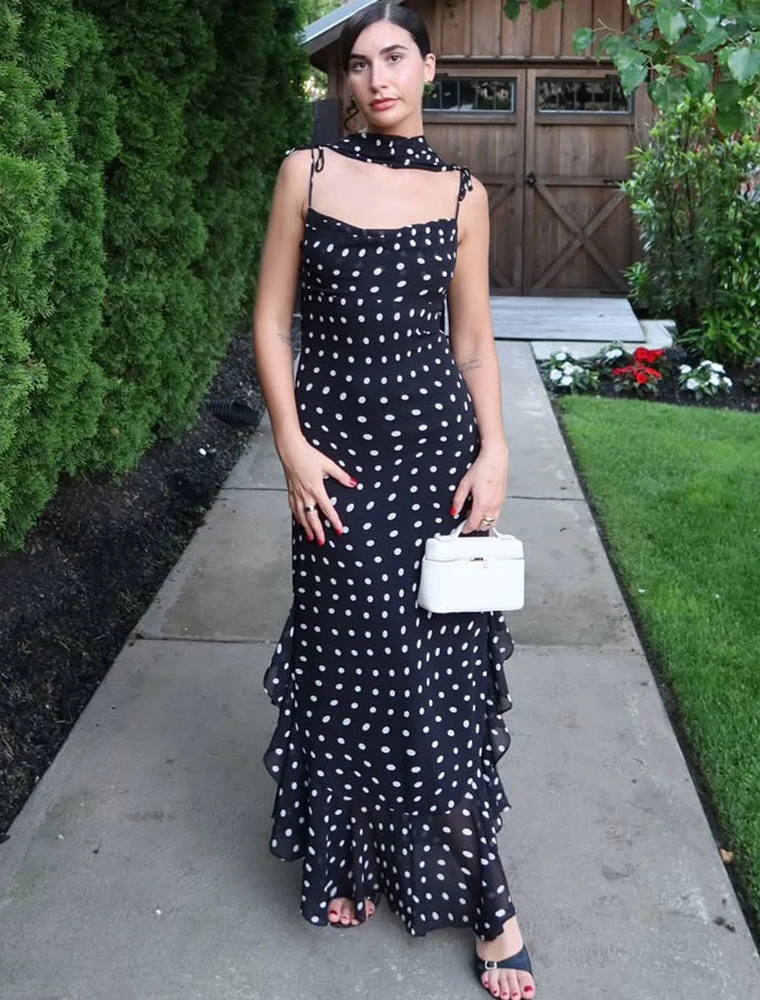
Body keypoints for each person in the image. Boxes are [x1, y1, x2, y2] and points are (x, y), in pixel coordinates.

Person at [251, 3, 533, 998]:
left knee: (430, 676)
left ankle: (491, 904)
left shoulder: (464, 195)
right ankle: (347, 859)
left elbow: (472, 342)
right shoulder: (306, 174)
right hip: (334, 469)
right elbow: (271, 322)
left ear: (427, 67)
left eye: (396, 58)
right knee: (345, 664)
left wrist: (495, 448)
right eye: (361, 64)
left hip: (434, 462)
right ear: (346, 81)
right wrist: (290, 446)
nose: (377, 78)